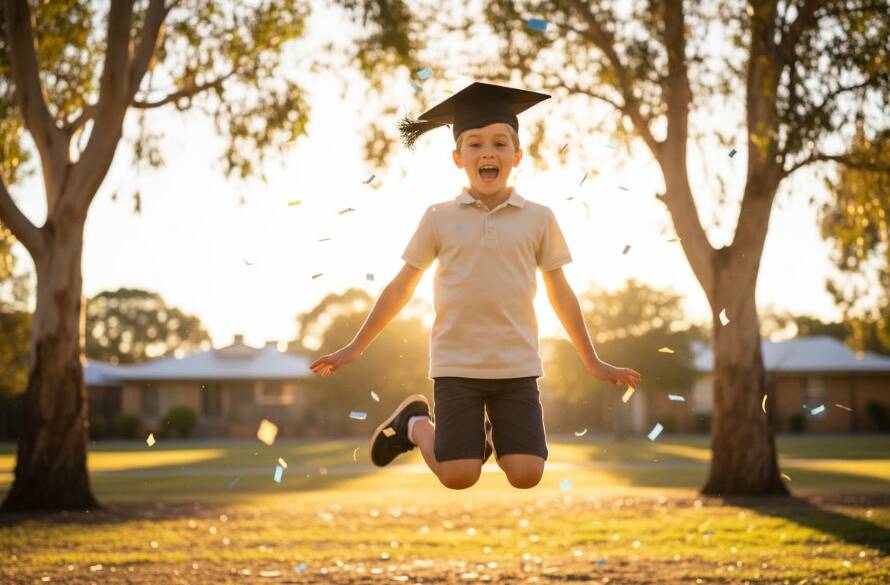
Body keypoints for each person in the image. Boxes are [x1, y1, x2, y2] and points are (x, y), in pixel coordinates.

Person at [310, 81, 641, 490]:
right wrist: (354, 347)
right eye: (475, 144)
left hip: (517, 366)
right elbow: (401, 287)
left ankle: (479, 435)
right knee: (458, 475)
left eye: (501, 144)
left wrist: (592, 360)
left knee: (527, 474)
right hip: (456, 367)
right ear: (457, 157)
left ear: (517, 156)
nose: (488, 152)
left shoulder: (539, 218)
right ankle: (414, 423)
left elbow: (560, 292)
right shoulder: (439, 218)